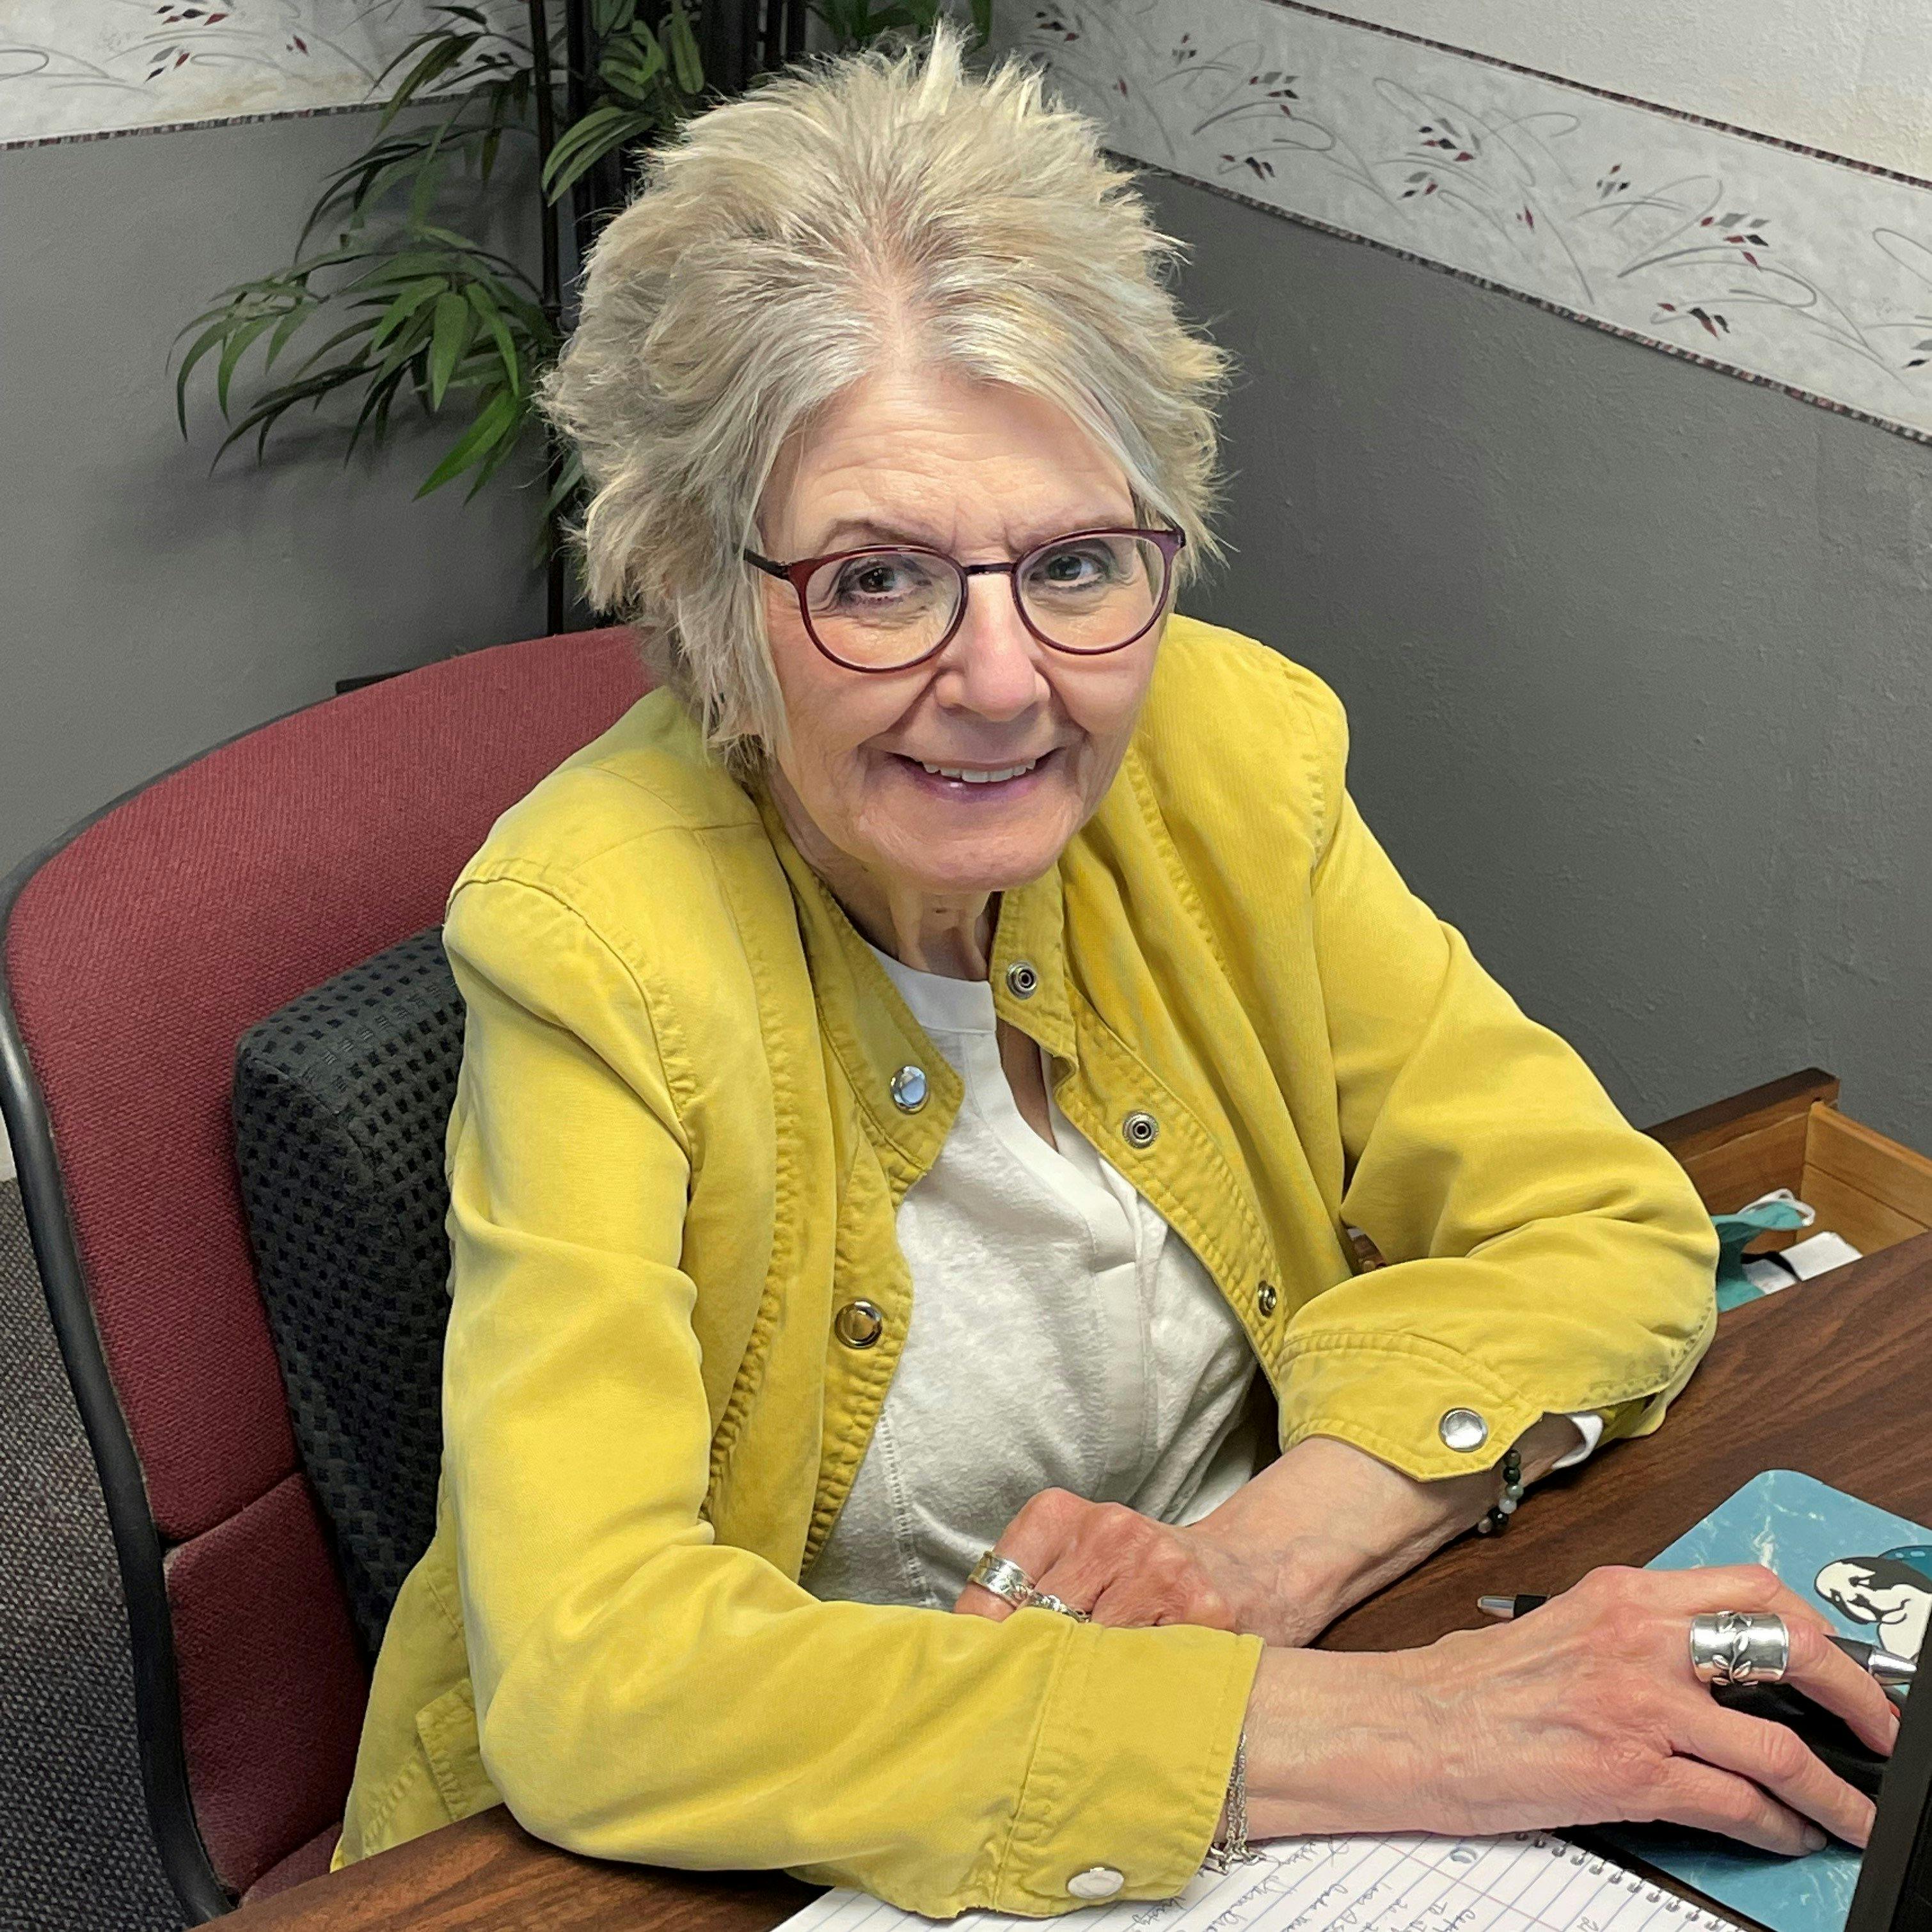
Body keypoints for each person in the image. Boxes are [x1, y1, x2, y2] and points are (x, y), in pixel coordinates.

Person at [331, 20, 1897, 1912]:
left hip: (1224, 1728)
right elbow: (600, 1684)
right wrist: (1405, 1729)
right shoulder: (586, 934)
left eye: (1075, 564)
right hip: (764, 1847)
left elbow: (1596, 1221)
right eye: (878, 577)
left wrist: (1253, 1569)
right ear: (696, 595)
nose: (1003, 681)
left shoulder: (1231, 751)